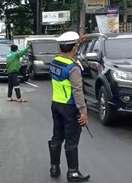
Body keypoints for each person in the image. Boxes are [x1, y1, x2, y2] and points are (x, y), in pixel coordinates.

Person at [48, 31, 90, 182]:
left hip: (56, 104)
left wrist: (77, 40)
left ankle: (54, 167)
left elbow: (64, 50)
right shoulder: (73, 67)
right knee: (71, 140)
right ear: (74, 48)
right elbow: (77, 91)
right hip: (70, 107)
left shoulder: (55, 61)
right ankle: (73, 172)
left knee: (57, 136)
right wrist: (83, 112)